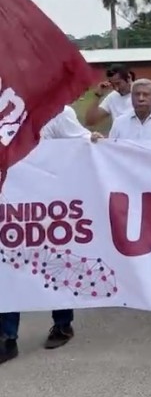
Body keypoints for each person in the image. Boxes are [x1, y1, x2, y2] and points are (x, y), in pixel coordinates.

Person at [0, 106, 102, 364]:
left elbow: (79, 141)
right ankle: (6, 336)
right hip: (10, 203)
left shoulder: (57, 110)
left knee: (54, 261)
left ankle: (62, 323)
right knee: (8, 268)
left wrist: (96, 142)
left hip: (49, 204)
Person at [84, 64, 151, 126]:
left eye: (118, 83)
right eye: (112, 85)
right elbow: (90, 121)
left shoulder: (149, 95)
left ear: (129, 78)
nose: (116, 88)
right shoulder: (112, 97)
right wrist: (97, 96)